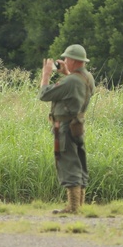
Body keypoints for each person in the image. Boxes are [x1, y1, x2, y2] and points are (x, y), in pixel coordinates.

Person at [39, 44, 95, 214]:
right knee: (78, 162)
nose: (64, 61)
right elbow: (74, 87)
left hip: (65, 127)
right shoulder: (87, 78)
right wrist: (66, 73)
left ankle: (73, 207)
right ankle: (79, 206)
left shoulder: (71, 81)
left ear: (72, 60)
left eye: (66, 59)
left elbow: (44, 94)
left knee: (68, 163)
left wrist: (46, 75)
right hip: (77, 125)